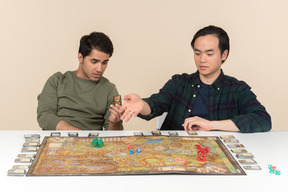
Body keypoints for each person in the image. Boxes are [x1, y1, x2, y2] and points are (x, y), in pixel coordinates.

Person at [120, 25, 271, 133]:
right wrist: (142, 104)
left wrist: (211, 125)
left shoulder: (237, 89)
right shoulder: (179, 82)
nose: (202, 59)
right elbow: (155, 104)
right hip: (174, 154)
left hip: (217, 158)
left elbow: (262, 119)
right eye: (197, 53)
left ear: (224, 55)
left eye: (209, 54)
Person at [37, 32, 123, 130]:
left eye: (104, 63)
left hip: (91, 144)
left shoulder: (110, 89)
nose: (99, 68)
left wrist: (115, 123)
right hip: (58, 141)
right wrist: (78, 135)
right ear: (80, 58)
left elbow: (114, 136)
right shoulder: (58, 80)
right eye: (94, 62)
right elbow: (44, 116)